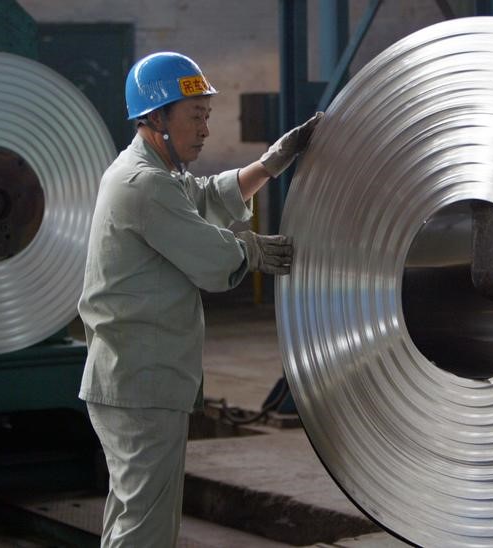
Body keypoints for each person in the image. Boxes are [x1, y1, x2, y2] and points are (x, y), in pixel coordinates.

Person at [77, 51, 322, 547]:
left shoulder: (157, 174)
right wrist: (254, 250)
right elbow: (211, 258)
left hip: (139, 380)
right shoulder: (142, 184)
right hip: (140, 384)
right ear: (155, 117)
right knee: (144, 527)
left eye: (207, 115)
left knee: (135, 515)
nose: (205, 128)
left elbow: (205, 197)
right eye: (195, 116)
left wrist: (269, 163)